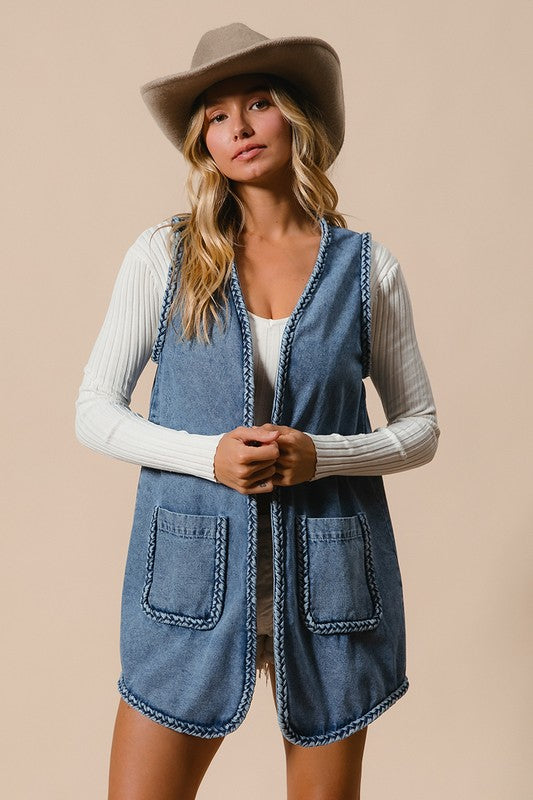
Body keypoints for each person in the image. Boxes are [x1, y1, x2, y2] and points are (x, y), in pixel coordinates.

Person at [75, 22, 440, 800]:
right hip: (191, 578)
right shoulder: (163, 256)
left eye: (258, 103)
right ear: (202, 142)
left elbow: (420, 430)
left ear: (296, 118)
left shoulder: (367, 268)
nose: (237, 127)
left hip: (330, 581)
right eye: (215, 114)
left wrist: (324, 454)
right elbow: (93, 412)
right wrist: (208, 457)